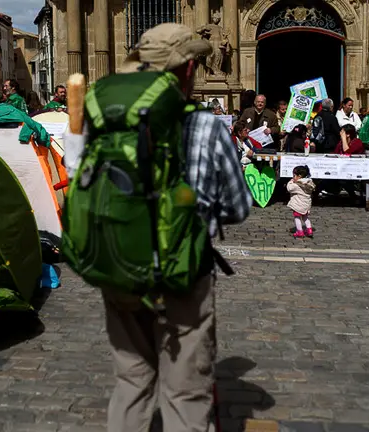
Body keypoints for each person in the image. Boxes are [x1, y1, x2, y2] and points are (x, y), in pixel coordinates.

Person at [77, 22, 251, 432]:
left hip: (119, 267)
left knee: (132, 382)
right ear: (187, 70)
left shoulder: (103, 119)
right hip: (183, 276)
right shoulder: (206, 125)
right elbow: (240, 206)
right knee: (186, 392)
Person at [287, 165, 315, 238]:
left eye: (294, 176)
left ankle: (300, 231)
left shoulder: (297, 185)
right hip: (306, 205)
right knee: (305, 217)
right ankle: (309, 230)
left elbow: (289, 188)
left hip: (298, 205)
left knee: (297, 218)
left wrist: (291, 182)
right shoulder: (309, 183)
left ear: (299, 176)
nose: (293, 177)